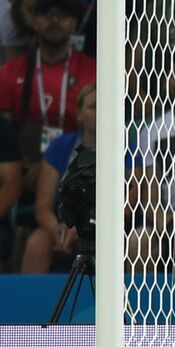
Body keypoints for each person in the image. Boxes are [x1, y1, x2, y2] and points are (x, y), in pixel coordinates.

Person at [0, 0, 96, 187]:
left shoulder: (94, 72)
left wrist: (51, 165)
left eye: (63, 15)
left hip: (78, 168)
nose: (54, 21)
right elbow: (4, 133)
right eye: (46, 14)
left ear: (74, 23)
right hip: (23, 169)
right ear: (33, 21)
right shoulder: (10, 73)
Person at [20, 80, 89, 273]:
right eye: (93, 107)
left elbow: (127, 206)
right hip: (62, 224)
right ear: (80, 114)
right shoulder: (61, 146)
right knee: (37, 242)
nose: (99, 113)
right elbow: (42, 206)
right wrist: (58, 229)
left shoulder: (126, 149)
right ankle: (31, 303)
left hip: (105, 228)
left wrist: (80, 230)